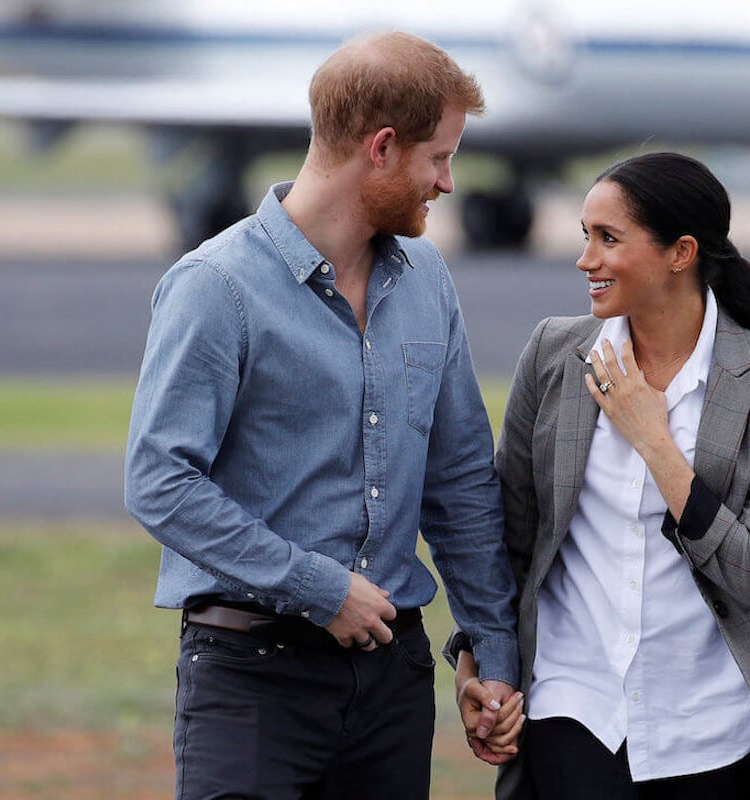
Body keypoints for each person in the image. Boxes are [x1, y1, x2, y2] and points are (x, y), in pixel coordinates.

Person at [124, 31, 519, 800]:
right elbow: (159, 480)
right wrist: (318, 587)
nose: (446, 182)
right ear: (380, 148)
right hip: (252, 683)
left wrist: (493, 655)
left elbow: (462, 482)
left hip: (394, 683)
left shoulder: (429, 279)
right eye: (437, 158)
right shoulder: (216, 287)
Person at [451, 152, 750, 799]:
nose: (586, 259)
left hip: (714, 729)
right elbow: (511, 540)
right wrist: (480, 662)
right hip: (574, 711)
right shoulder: (555, 354)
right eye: (586, 235)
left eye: (608, 238)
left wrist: (653, 440)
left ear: (681, 253)